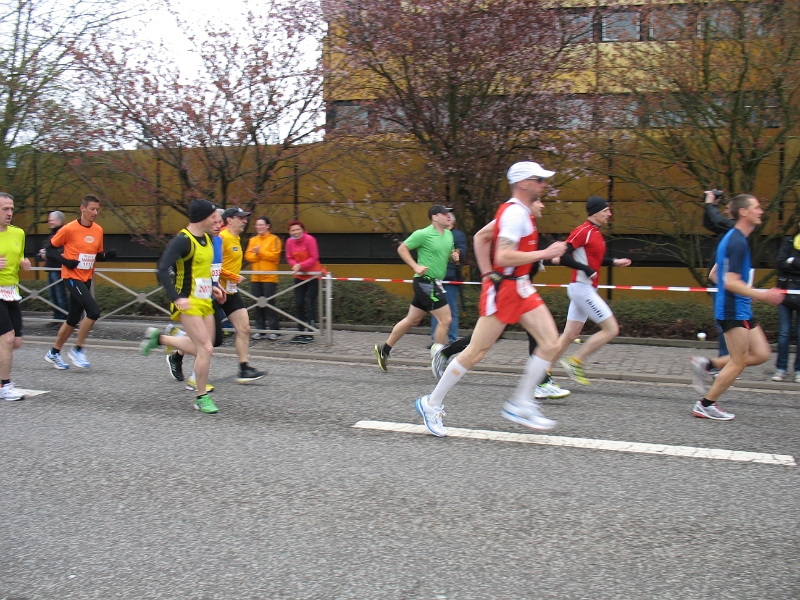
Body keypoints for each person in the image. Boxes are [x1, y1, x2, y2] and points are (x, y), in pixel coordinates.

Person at [414, 161, 567, 437]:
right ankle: (431, 403)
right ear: (524, 183)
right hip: (507, 290)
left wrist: (486, 273)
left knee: (551, 343)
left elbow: (481, 237)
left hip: (520, 287)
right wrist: (543, 254)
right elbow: (504, 256)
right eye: (539, 180)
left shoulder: (517, 212)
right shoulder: (515, 215)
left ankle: (522, 403)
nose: (544, 185)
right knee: (475, 352)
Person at [431, 225, 570, 401]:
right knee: (481, 346)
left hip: (522, 294)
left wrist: (548, 256)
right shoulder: (515, 219)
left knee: (541, 339)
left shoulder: (529, 229)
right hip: (507, 293)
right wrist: (487, 274)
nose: (541, 207)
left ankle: (538, 386)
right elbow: (484, 240)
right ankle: (438, 380)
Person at [689, 194, 784, 420]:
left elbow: (715, 274)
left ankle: (708, 365)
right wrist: (761, 294)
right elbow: (730, 282)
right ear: (744, 212)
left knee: (761, 354)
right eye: (757, 207)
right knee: (738, 362)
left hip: (740, 307)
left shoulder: (735, 237)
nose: (761, 211)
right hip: (732, 309)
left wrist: (745, 292)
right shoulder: (737, 242)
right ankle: (705, 404)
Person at [141, 199, 227, 414]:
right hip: (187, 303)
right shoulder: (183, 240)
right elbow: (162, 269)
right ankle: (201, 397)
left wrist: (214, 287)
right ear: (203, 218)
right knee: (206, 349)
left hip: (205, 301)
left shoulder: (207, 239)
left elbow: (202, 270)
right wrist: (177, 298)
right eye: (213, 218)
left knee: (203, 348)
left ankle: (159, 339)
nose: (217, 222)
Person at [554, 196, 632, 385]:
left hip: (585, 289)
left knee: (570, 335)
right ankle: (575, 361)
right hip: (582, 289)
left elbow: (594, 259)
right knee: (611, 329)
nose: (609, 214)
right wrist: (586, 269)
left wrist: (614, 262)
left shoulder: (596, 233)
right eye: (605, 211)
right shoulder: (583, 231)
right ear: (595, 212)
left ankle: (542, 372)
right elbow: (563, 255)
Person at [374, 205, 457, 370]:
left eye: (449, 213)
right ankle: (438, 359)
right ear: (435, 217)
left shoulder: (449, 235)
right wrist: (415, 266)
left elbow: (447, 253)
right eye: (444, 213)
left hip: (435, 283)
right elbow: (402, 248)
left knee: (412, 320)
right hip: (425, 282)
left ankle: (384, 350)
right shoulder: (423, 234)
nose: (449, 216)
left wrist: (454, 255)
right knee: (445, 319)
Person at [43, 195, 116, 370]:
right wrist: (66, 262)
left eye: (97, 209)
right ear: (82, 208)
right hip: (71, 277)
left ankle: (54, 352)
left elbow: (97, 255)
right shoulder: (69, 229)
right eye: (92, 209)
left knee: (73, 317)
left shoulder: (98, 230)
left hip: (86, 278)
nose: (95, 212)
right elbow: (49, 250)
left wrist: (107, 256)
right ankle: (77, 349)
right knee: (93, 311)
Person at [216, 207, 266, 382]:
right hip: (215, 291)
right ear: (229, 220)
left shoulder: (236, 238)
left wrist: (233, 279)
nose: (245, 221)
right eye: (241, 218)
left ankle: (244, 369)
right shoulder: (221, 238)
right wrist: (233, 276)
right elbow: (212, 266)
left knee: (244, 328)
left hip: (230, 291)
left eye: (245, 218)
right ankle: (177, 351)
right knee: (206, 335)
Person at [0, 193, 31, 400]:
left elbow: (19, 256)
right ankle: (5, 385)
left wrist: (23, 263)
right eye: (5, 209)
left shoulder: (18, 233)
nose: (10, 213)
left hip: (11, 291)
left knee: (16, 342)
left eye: (11, 209)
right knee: (8, 337)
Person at [703, 190, 735, 359]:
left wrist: (710, 204)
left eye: (728, 208)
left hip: (727, 283)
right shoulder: (727, 229)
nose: (725, 211)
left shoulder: (735, 228)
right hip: (720, 282)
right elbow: (710, 223)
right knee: (722, 323)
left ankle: (726, 359)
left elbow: (718, 220)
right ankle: (727, 359)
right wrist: (711, 205)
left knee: (726, 323)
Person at [429, 213, 467, 345]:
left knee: (451, 309)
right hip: (435, 276)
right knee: (436, 309)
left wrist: (453, 253)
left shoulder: (458, 235)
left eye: (448, 218)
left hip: (451, 277)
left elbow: (461, 252)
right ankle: (435, 339)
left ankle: (452, 338)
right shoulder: (435, 233)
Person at [245, 216, 283, 341]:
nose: (259, 227)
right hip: (256, 277)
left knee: (269, 304)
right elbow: (248, 256)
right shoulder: (253, 240)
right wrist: (257, 255)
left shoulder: (274, 239)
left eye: (261, 224)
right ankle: (260, 330)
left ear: (268, 226)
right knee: (258, 304)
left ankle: (274, 330)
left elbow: (275, 256)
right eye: (257, 225)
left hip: (269, 277)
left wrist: (259, 252)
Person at [285, 219, 322, 343]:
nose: (296, 232)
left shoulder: (310, 239)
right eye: (293, 230)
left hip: (312, 275)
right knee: (299, 303)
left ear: (302, 230)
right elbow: (289, 257)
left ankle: (310, 332)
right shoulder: (289, 242)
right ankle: (300, 331)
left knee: (310, 303)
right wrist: (295, 265)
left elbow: (314, 257)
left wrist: (301, 265)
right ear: (290, 232)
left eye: (298, 229)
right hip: (299, 276)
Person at [772, 219, 800, 382]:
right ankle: (781, 368)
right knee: (784, 333)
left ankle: (798, 370)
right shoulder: (788, 241)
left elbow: (787, 263)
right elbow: (780, 263)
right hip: (785, 292)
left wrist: (793, 261)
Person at [37, 211, 69, 326]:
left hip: (58, 269)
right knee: (53, 295)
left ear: (59, 221)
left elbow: (61, 252)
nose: (49, 221)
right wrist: (44, 253)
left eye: (51, 219)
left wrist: (46, 254)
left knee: (60, 294)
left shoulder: (63, 234)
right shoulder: (52, 235)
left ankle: (64, 319)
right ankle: (57, 318)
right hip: (52, 268)